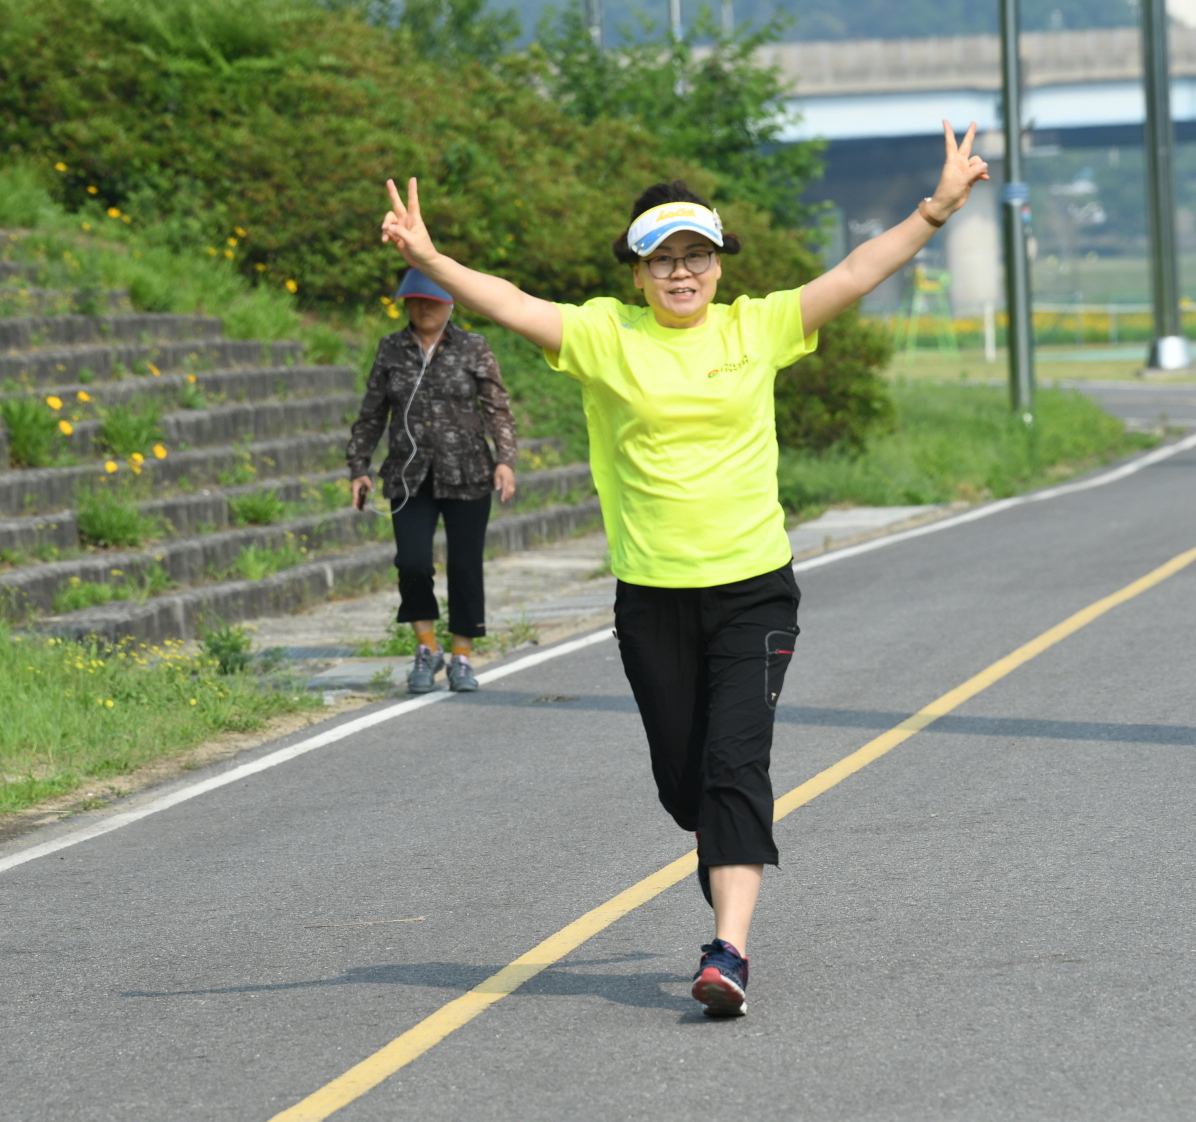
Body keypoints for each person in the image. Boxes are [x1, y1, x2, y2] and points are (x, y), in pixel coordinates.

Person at [378, 122, 989, 1016]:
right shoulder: (604, 335)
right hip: (652, 597)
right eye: (661, 259)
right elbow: (510, 302)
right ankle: (718, 846)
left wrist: (934, 210)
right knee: (685, 783)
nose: (680, 272)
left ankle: (727, 950)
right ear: (636, 272)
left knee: (735, 764)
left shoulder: (758, 327)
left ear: (717, 264)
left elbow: (857, 272)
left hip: (752, 589)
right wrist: (432, 259)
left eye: (696, 255)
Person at [347, 268, 519, 694]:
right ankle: (427, 647)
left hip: (468, 474)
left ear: (450, 303)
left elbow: (497, 406)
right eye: (415, 300)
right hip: (409, 476)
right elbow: (372, 412)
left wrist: (506, 460)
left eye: (432, 300)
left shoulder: (474, 347)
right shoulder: (391, 349)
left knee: (464, 567)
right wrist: (359, 466)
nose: (423, 308)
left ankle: (462, 656)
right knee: (412, 563)